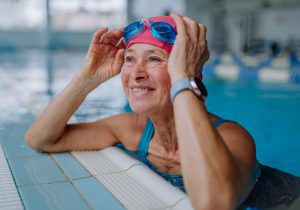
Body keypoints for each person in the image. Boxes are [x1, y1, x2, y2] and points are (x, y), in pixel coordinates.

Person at [25, 13, 260, 210]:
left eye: (154, 59)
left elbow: (214, 203)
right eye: (130, 59)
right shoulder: (132, 129)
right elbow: (40, 139)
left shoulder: (232, 137)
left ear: (189, 71)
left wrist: (182, 77)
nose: (137, 73)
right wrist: (88, 77)